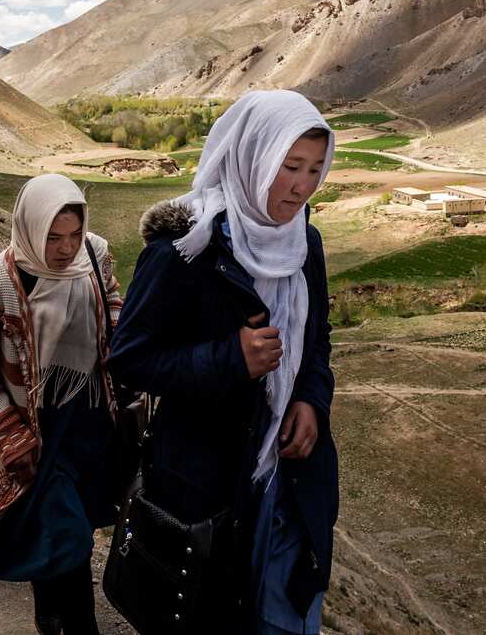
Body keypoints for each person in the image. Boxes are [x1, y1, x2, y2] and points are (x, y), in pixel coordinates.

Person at [109, 90, 339, 634]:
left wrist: (311, 397)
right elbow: (130, 360)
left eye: (314, 169)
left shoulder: (305, 243)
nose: (302, 186)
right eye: (289, 167)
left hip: (285, 478)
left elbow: (317, 340)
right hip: (204, 485)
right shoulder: (184, 250)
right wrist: (227, 359)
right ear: (254, 156)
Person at [0, 174, 122, 635]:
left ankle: (49, 606)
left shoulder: (95, 253)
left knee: (68, 525)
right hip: (35, 427)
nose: (65, 249)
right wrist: (9, 434)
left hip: (89, 421)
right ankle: (81, 627)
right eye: (52, 236)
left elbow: (113, 304)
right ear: (29, 226)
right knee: (70, 535)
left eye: (73, 235)